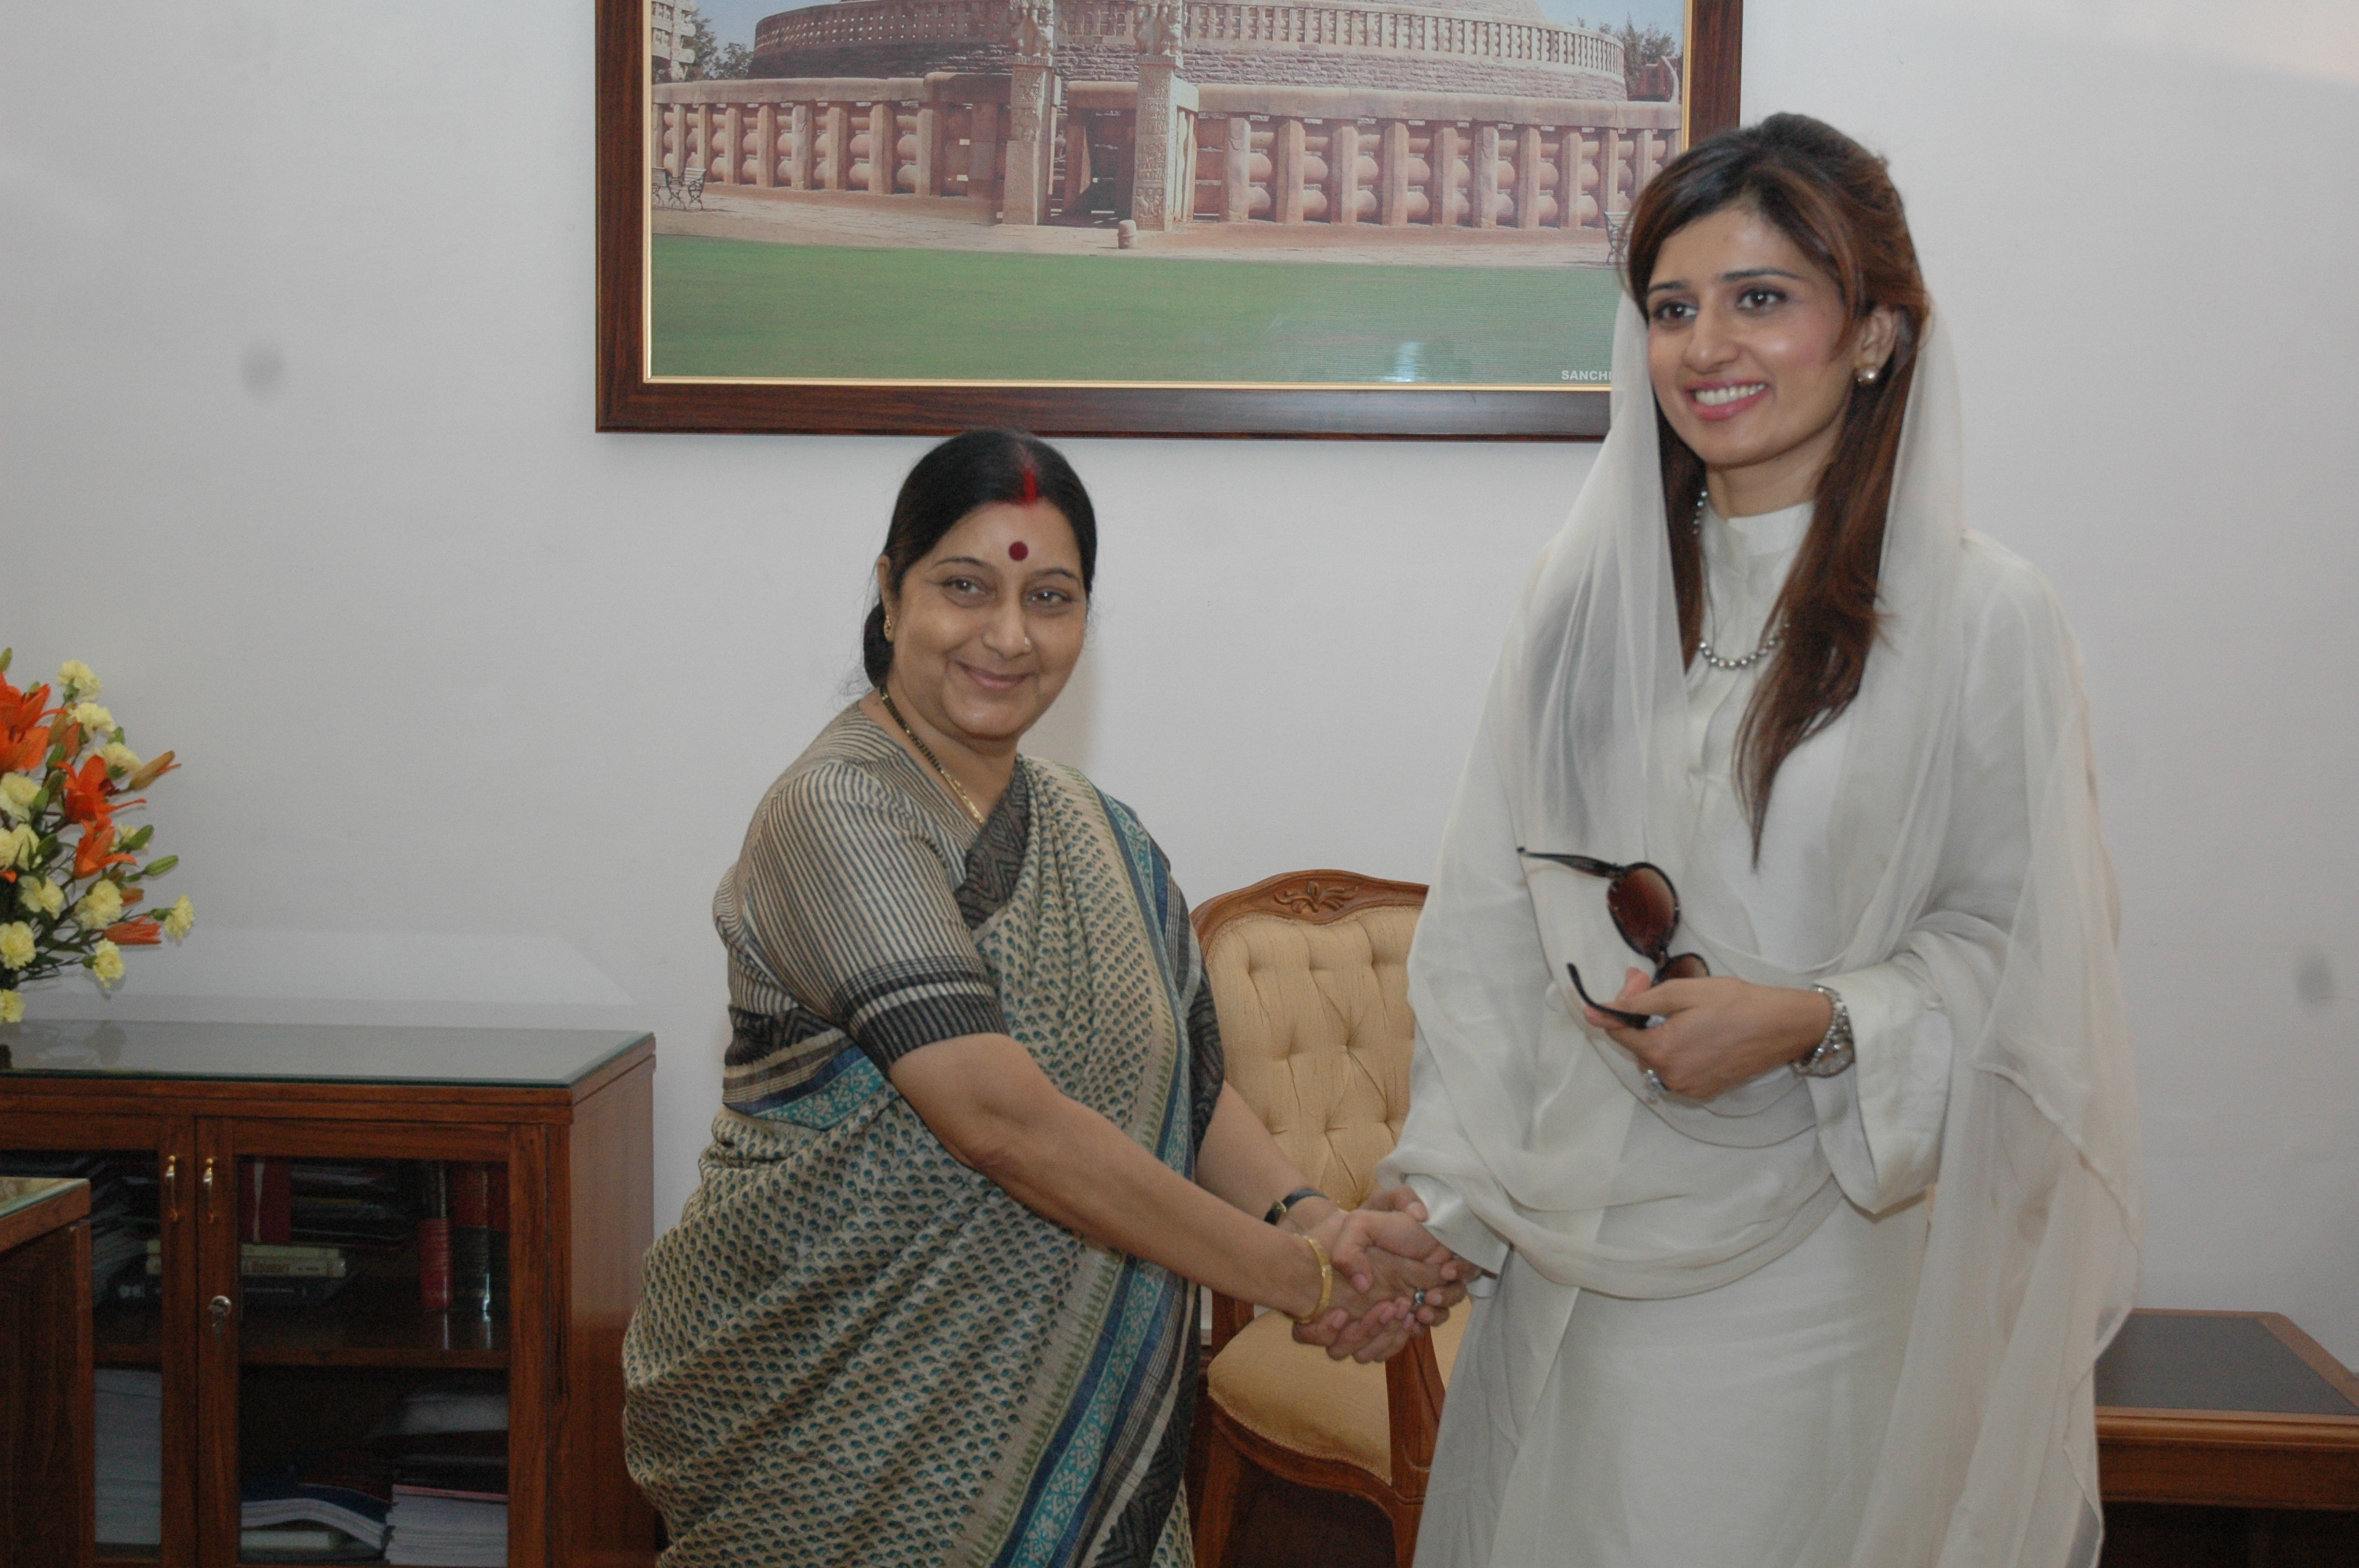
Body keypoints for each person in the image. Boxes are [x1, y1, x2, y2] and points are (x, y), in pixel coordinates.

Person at [1378, 116, 2141, 1567]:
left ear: (1875, 333)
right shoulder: (1580, 598)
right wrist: (1446, 1200)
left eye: (1762, 298)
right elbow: (1491, 922)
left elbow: (2027, 971)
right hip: (1579, 1255)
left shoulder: (1986, 622)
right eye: (1673, 307)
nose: (1707, 345)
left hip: (1831, 1276)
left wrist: (1814, 1021)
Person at [622, 429, 1464, 1568]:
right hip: (831, 1410)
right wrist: (1296, 1280)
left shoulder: (1099, 830)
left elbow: (1182, 1079)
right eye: (964, 586)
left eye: (1050, 597)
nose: (1009, 636)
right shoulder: (837, 813)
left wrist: (1310, 1217)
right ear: (889, 592)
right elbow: (1001, 1121)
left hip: (1063, 1419)